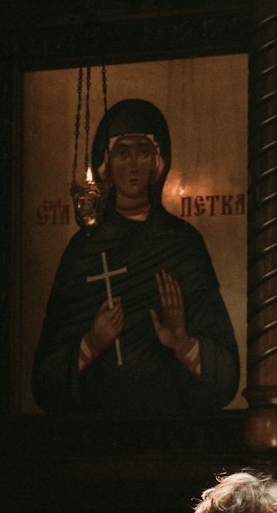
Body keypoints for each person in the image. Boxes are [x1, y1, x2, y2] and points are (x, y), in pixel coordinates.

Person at [32, 97, 240, 413]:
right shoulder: (83, 249)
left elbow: (225, 376)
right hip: (92, 434)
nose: (132, 165)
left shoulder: (182, 244)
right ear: (106, 164)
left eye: (143, 152)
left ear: (157, 163)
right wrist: (92, 343)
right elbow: (44, 382)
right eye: (122, 153)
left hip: (173, 431)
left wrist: (182, 342)